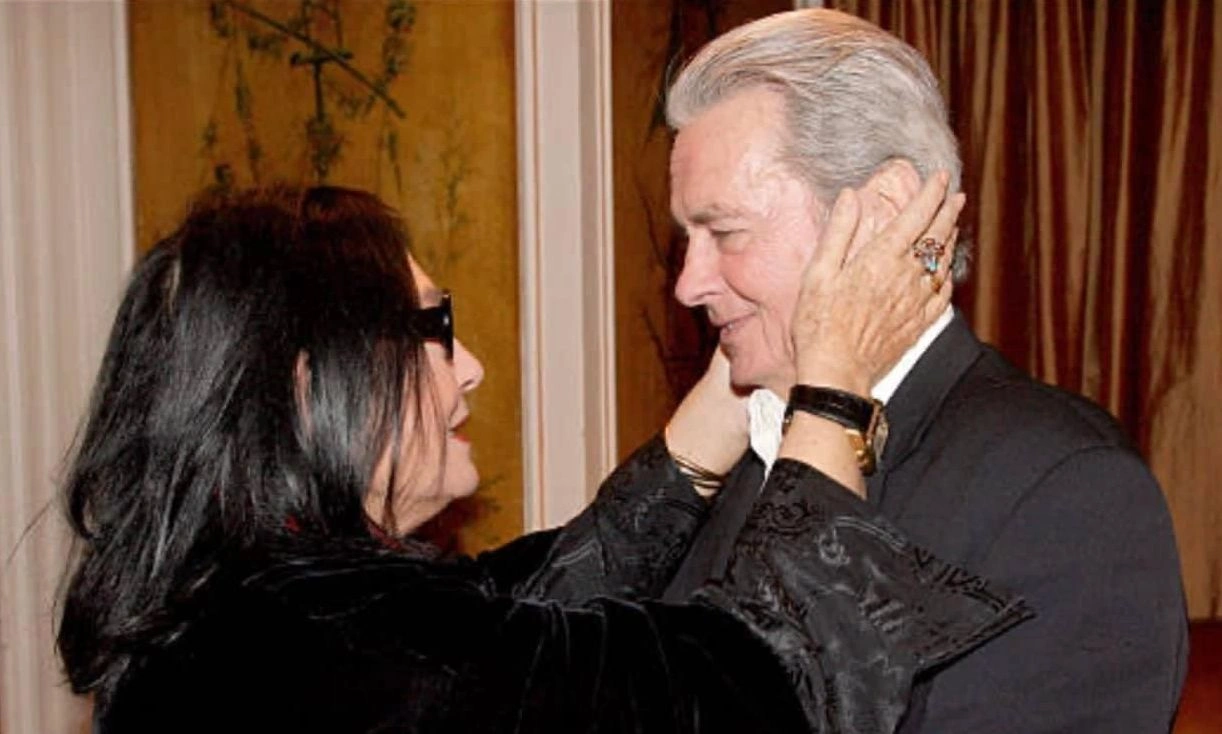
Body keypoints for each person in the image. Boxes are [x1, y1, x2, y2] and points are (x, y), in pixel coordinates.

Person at [57, 184, 1026, 733]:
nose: (470, 367)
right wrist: (833, 383)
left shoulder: (249, 608)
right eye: (435, 328)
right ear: (312, 382)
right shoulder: (345, 648)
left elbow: (528, 617)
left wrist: (742, 380)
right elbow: (761, 694)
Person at [658, 8, 1188, 734]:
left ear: (882, 214)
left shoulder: (1066, 491)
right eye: (688, 239)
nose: (689, 285)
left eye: (726, 232)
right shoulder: (737, 458)